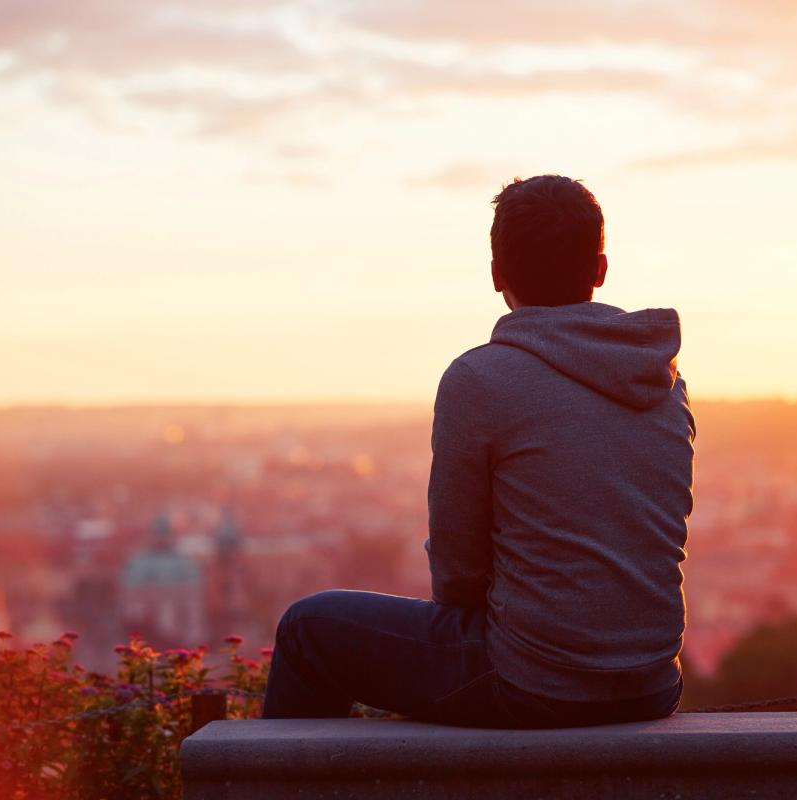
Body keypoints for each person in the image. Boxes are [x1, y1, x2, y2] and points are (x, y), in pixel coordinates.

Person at [262, 174, 696, 728]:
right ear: (600, 269)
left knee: (308, 628)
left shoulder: (480, 380)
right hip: (653, 685)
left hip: (534, 684)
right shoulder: (662, 379)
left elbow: (459, 569)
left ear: (496, 276)